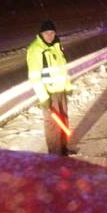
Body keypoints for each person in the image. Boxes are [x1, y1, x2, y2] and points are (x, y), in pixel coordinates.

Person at [27, 20, 74, 155]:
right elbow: (34, 77)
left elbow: (62, 70)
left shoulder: (56, 46)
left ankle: (63, 148)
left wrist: (68, 86)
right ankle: (55, 154)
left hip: (61, 91)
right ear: (41, 33)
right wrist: (43, 97)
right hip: (49, 94)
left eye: (52, 32)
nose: (50, 35)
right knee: (53, 125)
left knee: (63, 120)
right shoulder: (36, 49)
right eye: (47, 33)